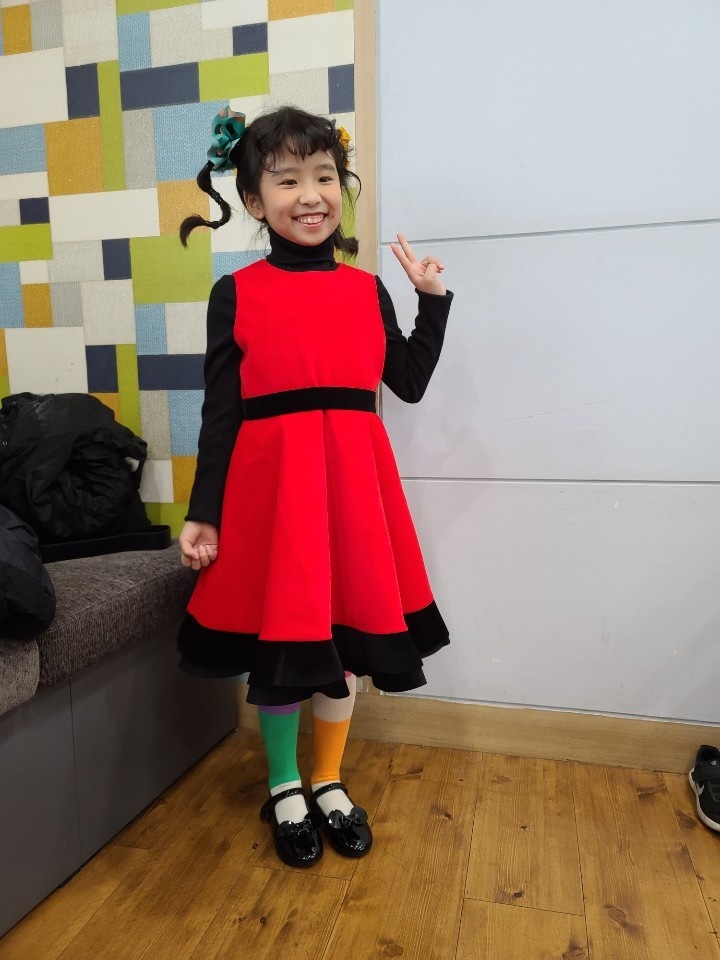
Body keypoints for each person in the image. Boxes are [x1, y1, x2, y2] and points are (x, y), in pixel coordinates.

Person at [177, 105, 454, 868]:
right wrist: (204, 513)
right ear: (254, 199)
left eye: (325, 176)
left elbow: (408, 382)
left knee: (345, 644)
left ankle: (328, 780)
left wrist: (431, 301)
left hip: (352, 494)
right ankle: (284, 785)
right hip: (274, 500)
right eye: (287, 179)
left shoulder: (367, 290)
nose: (310, 195)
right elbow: (221, 414)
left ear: (343, 187)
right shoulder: (236, 293)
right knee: (284, 644)